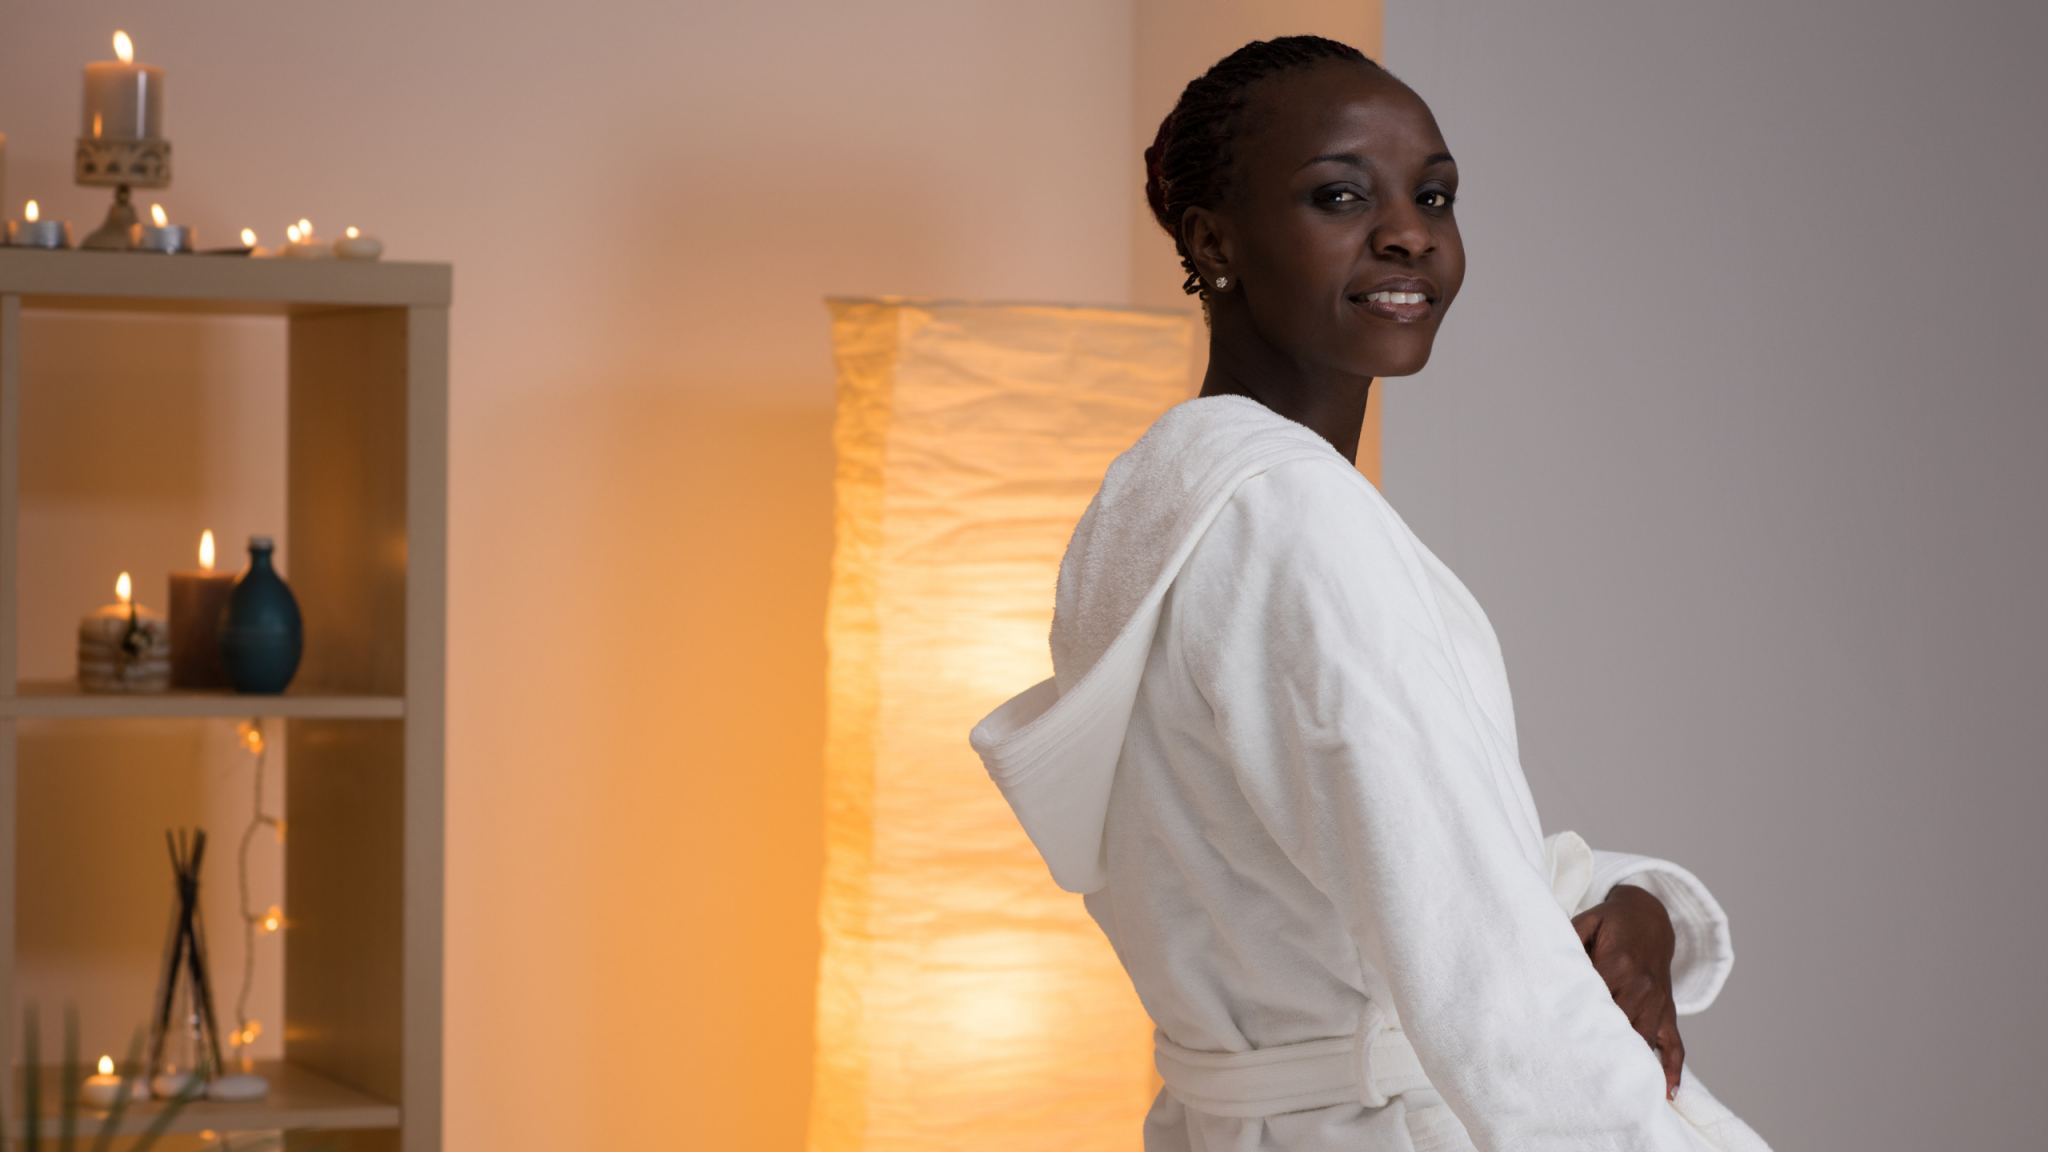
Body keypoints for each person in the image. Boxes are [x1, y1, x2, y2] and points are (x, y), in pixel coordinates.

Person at [970, 36, 1772, 1152]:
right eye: (1340, 196)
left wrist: (1641, 905)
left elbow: (1382, 862)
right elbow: (1486, 972)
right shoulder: (1295, 521)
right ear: (1213, 241)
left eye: (1432, 195)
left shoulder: (1165, 514)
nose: (1408, 232)